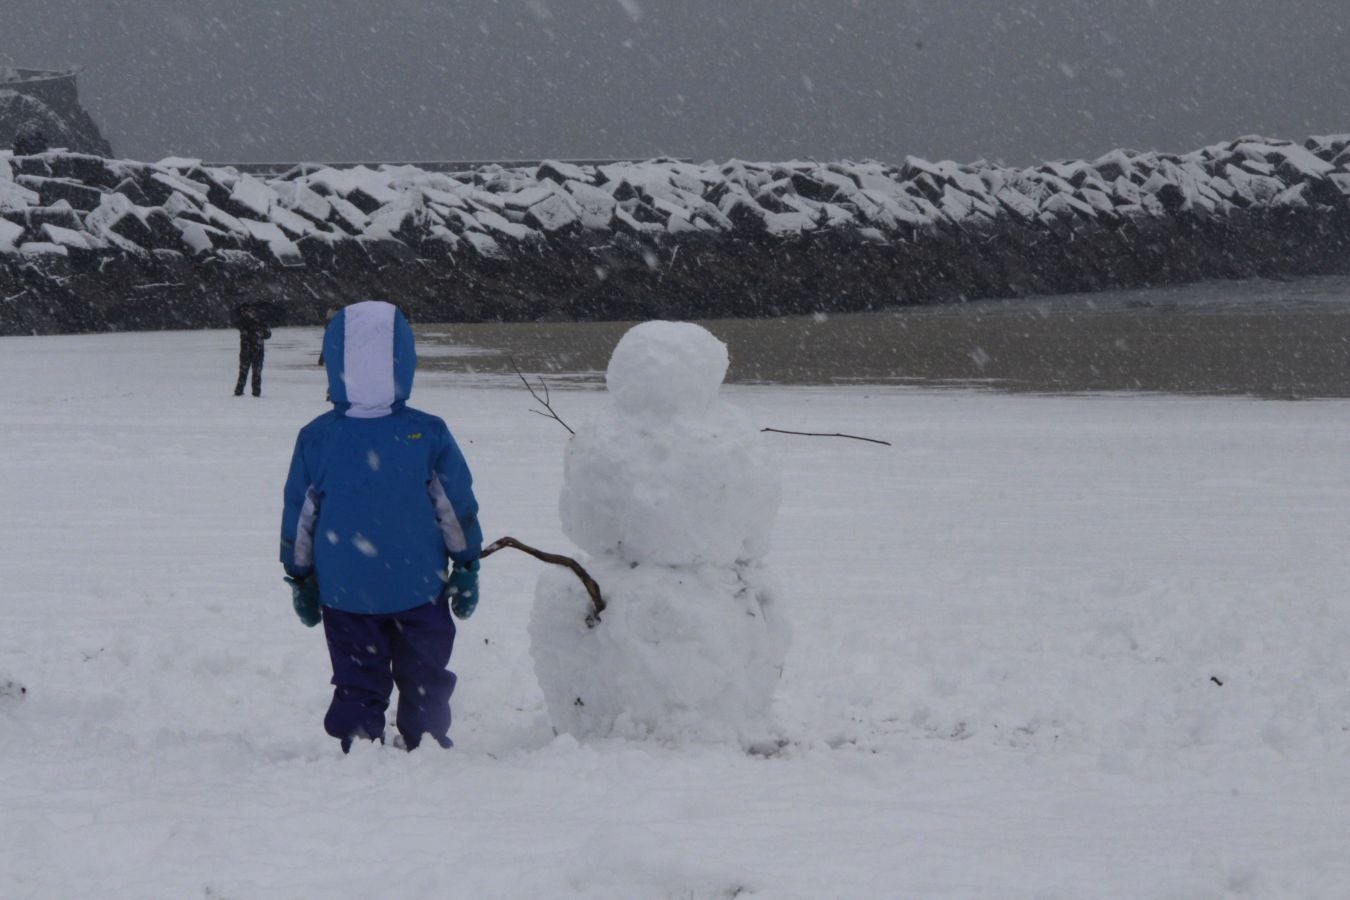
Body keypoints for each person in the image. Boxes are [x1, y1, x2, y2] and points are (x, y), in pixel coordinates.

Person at [279, 300, 483, 753]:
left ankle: (359, 738)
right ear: (405, 359)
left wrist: (299, 574)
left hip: (346, 589)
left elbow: (301, 513)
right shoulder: (427, 433)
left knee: (356, 675)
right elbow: (454, 507)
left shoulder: (318, 437)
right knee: (425, 671)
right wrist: (467, 563)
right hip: (419, 584)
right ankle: (425, 739)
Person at [233, 302, 271, 397]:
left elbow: (268, 334)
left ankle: (252, 391)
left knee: (252, 372)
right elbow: (267, 334)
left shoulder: (258, 321)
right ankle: (244, 391)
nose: (251, 313)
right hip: (251, 349)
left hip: (253, 350)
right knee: (248, 372)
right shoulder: (246, 321)